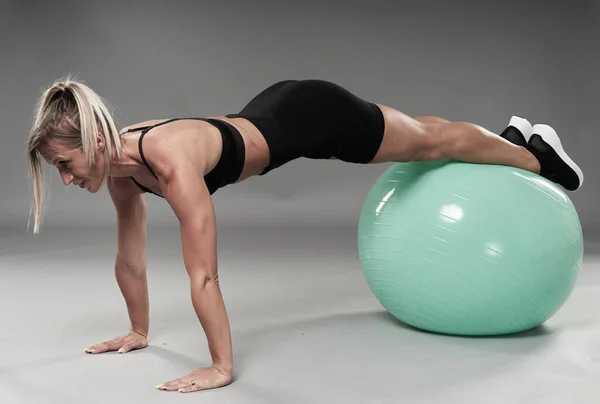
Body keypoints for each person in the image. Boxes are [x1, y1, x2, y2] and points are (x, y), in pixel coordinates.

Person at [26, 77, 583, 393]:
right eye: (59, 173)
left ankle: (535, 159)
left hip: (312, 117)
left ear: (95, 141)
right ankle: (512, 140)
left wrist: (221, 368)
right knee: (425, 135)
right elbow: (131, 262)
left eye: (67, 164)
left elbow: (205, 274)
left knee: (427, 142)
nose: (69, 179)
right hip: (273, 111)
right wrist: (137, 330)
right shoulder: (122, 172)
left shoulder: (168, 161)